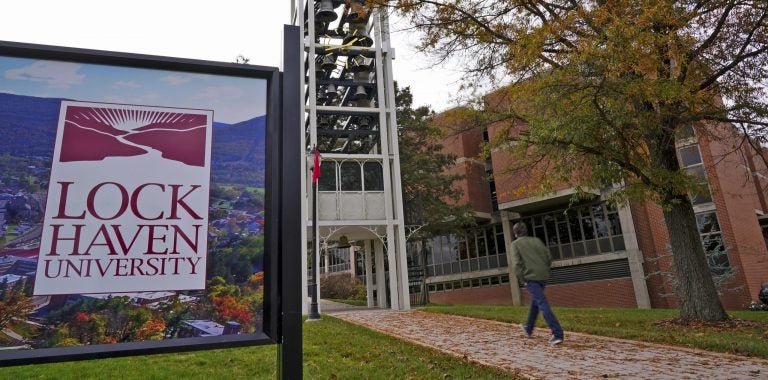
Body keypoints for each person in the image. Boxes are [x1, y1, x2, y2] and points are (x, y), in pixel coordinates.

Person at [510, 221, 564, 345]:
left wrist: (522, 280)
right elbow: (548, 257)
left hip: (531, 278)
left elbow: (517, 264)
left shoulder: (515, 244)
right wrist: (544, 270)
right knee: (536, 302)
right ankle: (529, 328)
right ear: (525, 231)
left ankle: (557, 333)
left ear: (515, 233)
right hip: (543, 276)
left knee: (541, 303)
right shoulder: (536, 240)